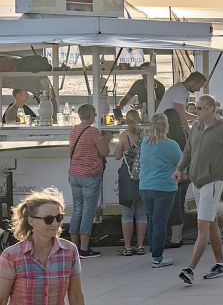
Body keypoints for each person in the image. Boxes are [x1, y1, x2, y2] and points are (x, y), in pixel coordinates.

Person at [173, 94, 223, 284]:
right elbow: (188, 151)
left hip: (212, 181)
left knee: (202, 225)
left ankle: (190, 269)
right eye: (196, 108)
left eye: (201, 108)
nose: (196, 111)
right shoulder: (195, 127)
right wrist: (179, 168)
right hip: (196, 180)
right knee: (211, 224)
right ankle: (221, 264)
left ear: (211, 109)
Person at [0, 188, 84, 304]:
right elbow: (2, 298)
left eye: (58, 217)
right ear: (31, 221)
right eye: (48, 219)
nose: (55, 223)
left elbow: (76, 296)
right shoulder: (11, 255)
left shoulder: (70, 251)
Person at [139, 113, 183, 267]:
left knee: (152, 218)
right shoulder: (171, 145)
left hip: (145, 186)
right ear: (166, 126)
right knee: (160, 221)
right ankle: (157, 257)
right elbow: (181, 162)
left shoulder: (145, 142)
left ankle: (154, 250)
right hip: (165, 186)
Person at [67, 104, 111, 259]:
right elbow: (104, 152)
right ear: (91, 115)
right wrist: (105, 140)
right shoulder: (93, 132)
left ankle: (74, 249)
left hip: (74, 174)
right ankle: (84, 249)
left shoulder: (74, 130)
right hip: (90, 175)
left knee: (77, 209)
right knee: (88, 211)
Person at [113, 110, 146, 256]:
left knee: (127, 213)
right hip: (142, 175)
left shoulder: (123, 135)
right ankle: (140, 246)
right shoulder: (144, 134)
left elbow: (117, 156)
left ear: (126, 120)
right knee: (141, 213)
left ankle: (127, 247)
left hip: (127, 176)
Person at [163, 108, 190, 249]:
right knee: (180, 204)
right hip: (185, 174)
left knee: (174, 207)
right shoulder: (184, 133)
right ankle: (179, 235)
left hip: (173, 174)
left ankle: (175, 238)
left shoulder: (168, 137)